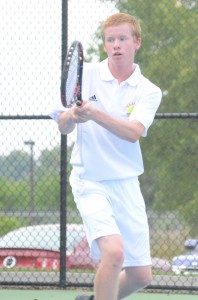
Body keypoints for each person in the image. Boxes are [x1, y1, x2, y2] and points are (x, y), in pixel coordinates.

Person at [50, 12, 162, 300]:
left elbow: (133, 132)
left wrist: (96, 114)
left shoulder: (148, 91)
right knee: (113, 253)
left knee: (141, 275)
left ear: (136, 42)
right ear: (104, 44)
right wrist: (73, 115)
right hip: (90, 182)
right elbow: (63, 125)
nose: (116, 45)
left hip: (126, 183)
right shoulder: (86, 76)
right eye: (110, 40)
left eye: (123, 39)